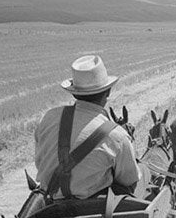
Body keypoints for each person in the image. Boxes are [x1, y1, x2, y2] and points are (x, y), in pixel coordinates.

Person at [33, 55, 139, 200]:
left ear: (75, 93)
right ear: (107, 92)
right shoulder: (117, 135)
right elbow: (129, 179)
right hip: (95, 206)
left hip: (51, 201)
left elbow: (39, 162)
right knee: (143, 173)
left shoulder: (48, 118)